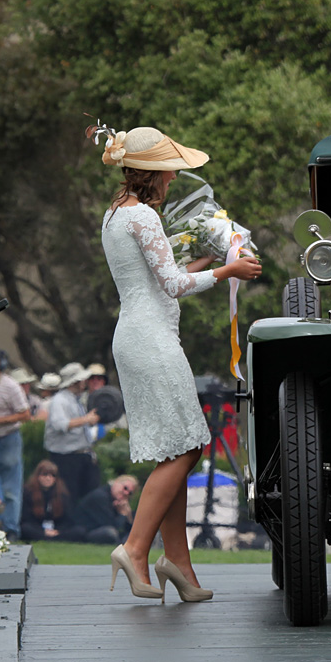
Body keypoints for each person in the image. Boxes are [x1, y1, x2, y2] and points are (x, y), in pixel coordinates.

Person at [99, 125, 260, 601]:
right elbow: (171, 285)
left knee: (173, 449)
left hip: (135, 333)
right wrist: (228, 269)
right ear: (156, 171)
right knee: (189, 448)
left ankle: (178, 567)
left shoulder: (116, 215)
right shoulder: (144, 218)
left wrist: (212, 257)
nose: (175, 175)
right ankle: (134, 548)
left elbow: (158, 278)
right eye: (171, 167)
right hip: (150, 339)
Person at [0, 347, 31, 540]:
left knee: (10, 490)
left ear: (1, 363)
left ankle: (11, 529)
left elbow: (26, 414)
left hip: (7, 439)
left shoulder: (10, 386)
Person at [44, 362, 101, 502]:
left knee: (89, 494)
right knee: (69, 496)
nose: (84, 383)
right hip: (66, 457)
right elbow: (60, 424)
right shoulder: (59, 401)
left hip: (82, 454)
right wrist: (86, 419)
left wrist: (88, 421)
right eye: (82, 380)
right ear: (74, 382)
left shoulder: (77, 400)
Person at [20, 460, 85, 541]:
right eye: (45, 475)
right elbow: (26, 518)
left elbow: (67, 519)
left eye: (52, 475)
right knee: (25, 529)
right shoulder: (28, 492)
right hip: (37, 528)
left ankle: (53, 538)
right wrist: (43, 531)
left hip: (57, 529)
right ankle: (50, 538)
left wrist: (57, 531)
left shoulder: (62, 494)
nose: (48, 478)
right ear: (38, 476)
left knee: (79, 531)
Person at [73, 475, 138, 544]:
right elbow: (112, 526)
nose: (126, 493)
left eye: (130, 493)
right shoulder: (100, 496)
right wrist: (122, 514)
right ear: (116, 483)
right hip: (86, 531)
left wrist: (128, 514)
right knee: (110, 533)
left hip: (100, 529)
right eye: (125, 488)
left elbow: (129, 529)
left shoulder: (117, 502)